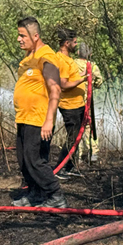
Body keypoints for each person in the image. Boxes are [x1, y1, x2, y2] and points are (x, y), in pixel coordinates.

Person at [12, 17, 67, 208]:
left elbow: (56, 89)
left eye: (22, 35)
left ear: (35, 36)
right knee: (24, 160)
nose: (19, 39)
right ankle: (35, 194)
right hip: (24, 117)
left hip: (38, 118)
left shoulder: (46, 56)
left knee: (34, 160)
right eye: (18, 35)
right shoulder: (29, 58)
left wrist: (49, 121)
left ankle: (55, 195)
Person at [53, 28, 88, 177]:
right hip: (70, 106)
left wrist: (83, 74)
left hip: (78, 104)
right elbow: (63, 84)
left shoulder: (68, 60)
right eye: (74, 42)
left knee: (76, 137)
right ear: (67, 43)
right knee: (72, 137)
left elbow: (71, 76)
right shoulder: (61, 60)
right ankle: (60, 168)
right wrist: (83, 79)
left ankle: (70, 167)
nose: (76, 45)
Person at [74, 42, 103, 163]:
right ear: (90, 54)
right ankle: (93, 153)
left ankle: (78, 155)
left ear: (78, 52)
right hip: (88, 102)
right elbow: (99, 81)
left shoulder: (72, 64)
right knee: (89, 127)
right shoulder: (92, 65)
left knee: (76, 128)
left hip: (74, 101)